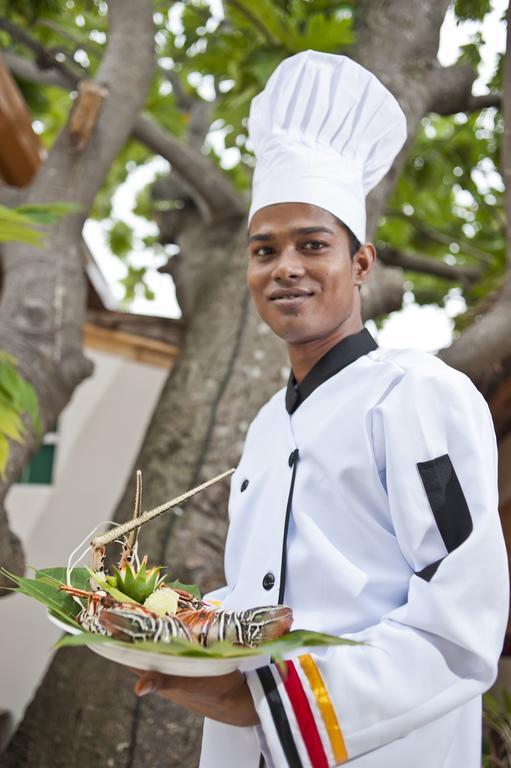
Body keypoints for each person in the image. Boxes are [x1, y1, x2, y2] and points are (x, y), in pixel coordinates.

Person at [134, 51, 509, 767]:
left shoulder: (419, 397)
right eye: (263, 250)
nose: (285, 268)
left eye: (312, 245)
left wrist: (270, 703)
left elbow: (461, 618)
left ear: (360, 263)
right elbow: (271, 593)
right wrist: (175, 622)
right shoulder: (269, 423)